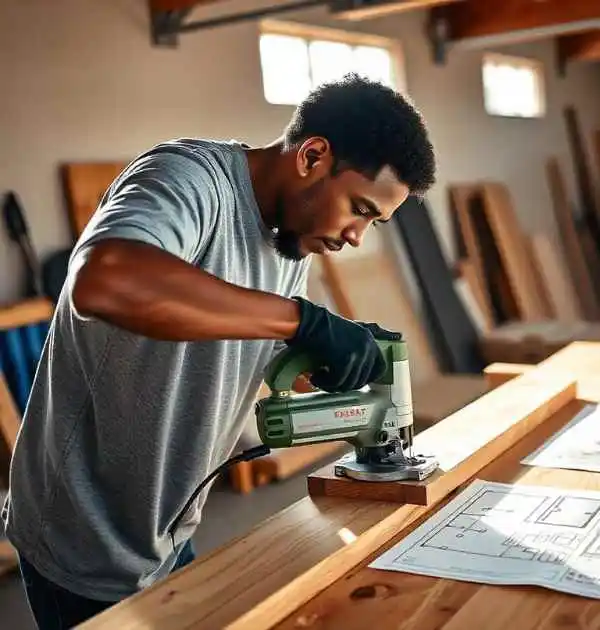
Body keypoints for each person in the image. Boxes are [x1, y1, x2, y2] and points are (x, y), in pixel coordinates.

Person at [2, 72, 435, 629]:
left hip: (168, 526)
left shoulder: (292, 237)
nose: (357, 236)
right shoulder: (187, 179)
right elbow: (102, 283)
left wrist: (320, 363)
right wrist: (300, 322)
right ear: (312, 156)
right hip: (83, 538)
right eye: (360, 209)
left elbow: (243, 336)